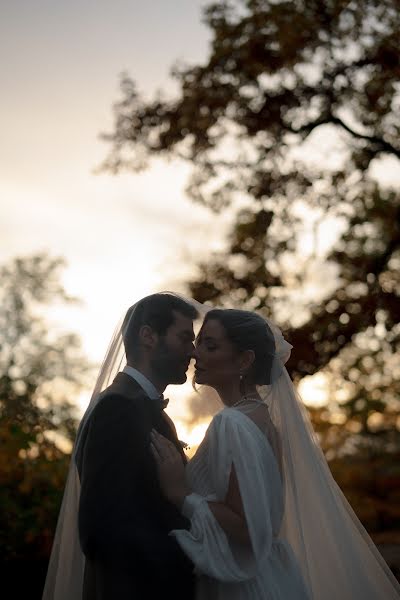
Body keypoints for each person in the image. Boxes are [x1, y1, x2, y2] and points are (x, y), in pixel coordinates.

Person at [151, 307, 400, 600]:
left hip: (242, 586)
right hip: (271, 575)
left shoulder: (232, 423)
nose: (195, 354)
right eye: (198, 343)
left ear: (244, 359)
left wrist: (182, 494)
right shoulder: (262, 421)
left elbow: (247, 529)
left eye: (210, 345)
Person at [42, 292, 199, 600]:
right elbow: (100, 528)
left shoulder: (147, 410)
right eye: (185, 338)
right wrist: (189, 557)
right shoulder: (117, 408)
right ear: (148, 336)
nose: (192, 352)